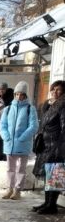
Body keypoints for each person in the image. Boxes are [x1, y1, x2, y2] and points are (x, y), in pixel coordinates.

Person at [0, 81, 38, 200]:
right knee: (10, 169)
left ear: (25, 95)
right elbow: (2, 125)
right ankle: (9, 188)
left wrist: (22, 138)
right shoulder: (8, 108)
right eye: (17, 94)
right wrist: (6, 136)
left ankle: (17, 190)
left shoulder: (30, 109)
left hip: (23, 144)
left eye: (21, 94)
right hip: (9, 144)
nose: (19, 96)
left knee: (21, 169)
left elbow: (33, 126)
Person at [32, 80, 65, 214]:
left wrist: (60, 146)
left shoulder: (63, 105)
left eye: (58, 90)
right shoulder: (52, 105)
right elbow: (44, 121)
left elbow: (64, 127)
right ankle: (47, 202)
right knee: (48, 174)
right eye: (53, 89)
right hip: (47, 145)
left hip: (57, 144)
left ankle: (52, 205)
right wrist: (47, 105)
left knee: (55, 175)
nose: (55, 92)